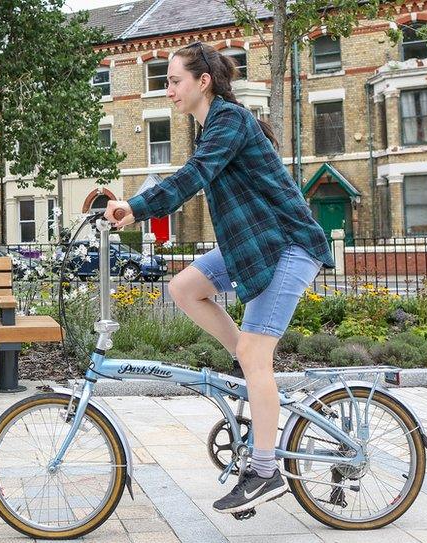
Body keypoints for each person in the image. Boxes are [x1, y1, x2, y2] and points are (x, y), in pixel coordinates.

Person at [103, 42, 334, 515]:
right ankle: (248, 370)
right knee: (185, 288)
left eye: (173, 81)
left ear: (201, 81)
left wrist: (136, 207)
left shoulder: (228, 120)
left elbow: (194, 175)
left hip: (288, 243)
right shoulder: (212, 125)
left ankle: (266, 471)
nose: (167, 89)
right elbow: (195, 173)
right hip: (252, 245)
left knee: (255, 352)